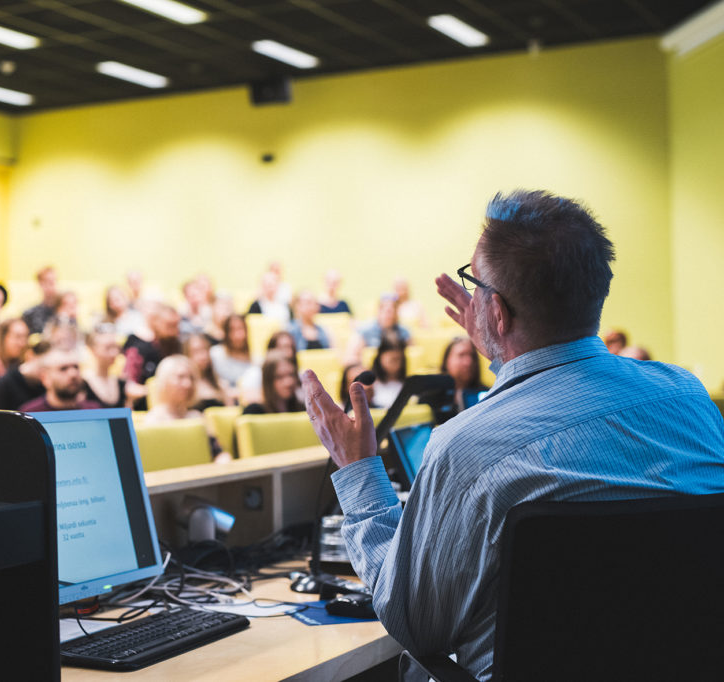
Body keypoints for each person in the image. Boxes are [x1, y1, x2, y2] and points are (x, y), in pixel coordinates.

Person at [301, 189, 724, 681]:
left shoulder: (465, 448)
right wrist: (505, 350)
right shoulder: (688, 400)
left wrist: (358, 474)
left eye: (474, 284)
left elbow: (412, 625)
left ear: (497, 313)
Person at [19, 346, 102, 412]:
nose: (73, 374)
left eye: (76, 367)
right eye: (63, 369)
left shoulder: (94, 411)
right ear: (45, 378)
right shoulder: (31, 415)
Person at [82, 325, 143, 409]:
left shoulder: (121, 383)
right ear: (93, 350)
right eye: (108, 348)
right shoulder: (83, 384)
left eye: (115, 347)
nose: (114, 353)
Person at [0, 339, 48, 411]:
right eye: (43, 367)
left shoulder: (47, 384)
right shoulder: (4, 384)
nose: (46, 372)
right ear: (30, 355)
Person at [242, 350, 304, 415]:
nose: (288, 382)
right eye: (279, 377)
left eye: (291, 375)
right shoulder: (253, 412)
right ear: (268, 380)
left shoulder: (303, 409)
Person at [441, 337, 489, 411]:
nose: (468, 362)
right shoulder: (433, 396)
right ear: (447, 360)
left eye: (472, 356)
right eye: (461, 355)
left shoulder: (488, 395)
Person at [184, 333, 231, 410]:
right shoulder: (185, 385)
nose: (203, 356)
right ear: (187, 354)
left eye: (205, 350)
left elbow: (230, 412)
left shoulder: (221, 384)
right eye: (196, 351)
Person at [209, 313, 255, 388]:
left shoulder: (255, 359)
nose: (237, 335)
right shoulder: (215, 354)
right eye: (232, 330)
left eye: (240, 329)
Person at [369, 335, 406, 409]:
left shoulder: (406, 384)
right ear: (380, 359)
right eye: (392, 360)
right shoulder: (370, 385)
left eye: (399, 360)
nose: (397, 365)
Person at [22, 266, 59, 334]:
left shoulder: (63, 311)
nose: (52, 285)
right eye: (48, 281)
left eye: (54, 281)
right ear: (40, 284)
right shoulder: (30, 314)